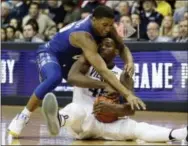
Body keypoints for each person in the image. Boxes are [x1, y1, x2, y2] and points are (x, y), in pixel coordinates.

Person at [8, 5, 146, 137]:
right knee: (54, 78)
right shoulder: (84, 35)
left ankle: (65, 118)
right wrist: (128, 95)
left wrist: (129, 61)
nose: (108, 29)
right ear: (93, 20)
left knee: (80, 75)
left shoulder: (107, 26)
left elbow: (122, 47)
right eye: (105, 25)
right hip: (51, 53)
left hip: (70, 62)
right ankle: (23, 116)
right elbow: (103, 70)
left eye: (110, 25)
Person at [42, 38, 188, 142]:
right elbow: (72, 77)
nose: (103, 48)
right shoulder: (87, 61)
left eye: (108, 45)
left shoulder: (122, 75)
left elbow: (130, 109)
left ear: (117, 51)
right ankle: (58, 120)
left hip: (106, 123)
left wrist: (113, 108)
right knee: (75, 109)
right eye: (102, 45)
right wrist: (104, 85)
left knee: (137, 128)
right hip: (82, 121)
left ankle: (179, 134)